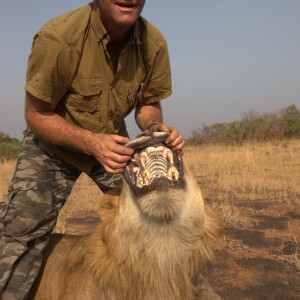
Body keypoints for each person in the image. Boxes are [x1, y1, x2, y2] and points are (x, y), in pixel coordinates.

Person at [0, 1, 219, 299]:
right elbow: (36, 114)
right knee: (21, 229)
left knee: (161, 217)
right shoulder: (58, 37)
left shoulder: (153, 42)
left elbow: (148, 106)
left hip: (113, 144)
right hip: (53, 143)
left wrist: (156, 128)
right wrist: (91, 143)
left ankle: (194, 290)